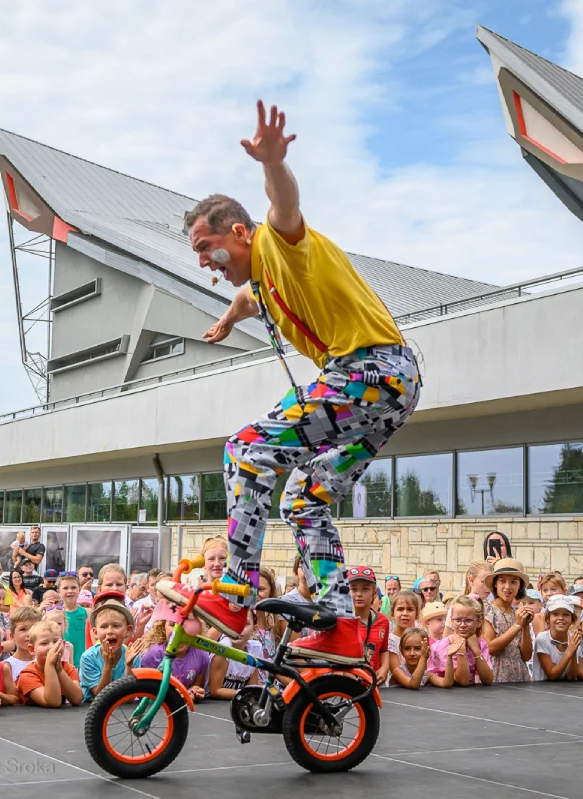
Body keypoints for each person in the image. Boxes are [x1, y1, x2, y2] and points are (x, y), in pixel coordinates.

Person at [155, 101, 419, 665]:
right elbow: (248, 297)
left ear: (238, 232)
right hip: (392, 388)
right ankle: (340, 626)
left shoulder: (278, 243)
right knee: (304, 497)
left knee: (246, 450)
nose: (203, 262)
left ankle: (236, 595)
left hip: (368, 372)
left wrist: (272, 163)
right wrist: (229, 318)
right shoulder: (263, 281)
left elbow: (284, 204)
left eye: (205, 248)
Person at [481, 558, 534, 684]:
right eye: (502, 581)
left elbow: (526, 656)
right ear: (495, 584)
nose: (508, 587)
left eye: (513, 582)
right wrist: (517, 625)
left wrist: (525, 626)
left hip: (519, 676)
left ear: (519, 586)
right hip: (495, 676)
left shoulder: (518, 613)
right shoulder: (487, 609)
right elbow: (490, 648)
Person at [80, 592, 136, 702]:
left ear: (128, 630)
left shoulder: (132, 655)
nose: (110, 631)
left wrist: (129, 666)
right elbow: (100, 697)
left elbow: (130, 699)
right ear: (95, 632)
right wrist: (108, 666)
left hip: (124, 708)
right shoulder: (88, 657)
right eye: (104, 627)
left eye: (116, 626)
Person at [16, 620, 83, 708]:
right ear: (32, 649)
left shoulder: (69, 669)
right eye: (44, 643)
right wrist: (50, 666)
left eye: (56, 642)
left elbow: (77, 699)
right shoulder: (27, 674)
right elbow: (53, 702)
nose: (52, 647)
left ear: (63, 644)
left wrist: (60, 671)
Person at [428, 596, 489, 686]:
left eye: (468, 620)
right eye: (458, 620)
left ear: (479, 622)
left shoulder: (481, 644)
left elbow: (488, 680)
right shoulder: (439, 647)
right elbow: (463, 681)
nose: (462, 625)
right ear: (451, 621)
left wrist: (476, 650)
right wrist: (461, 649)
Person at [532, 595, 580, 681]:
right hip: (542, 688)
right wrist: (569, 651)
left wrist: (573, 653)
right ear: (548, 618)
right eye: (555, 614)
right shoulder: (542, 639)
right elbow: (552, 675)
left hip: (566, 688)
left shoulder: (574, 639)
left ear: (572, 619)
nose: (560, 618)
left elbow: (572, 677)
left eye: (565, 614)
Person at [4, 605, 42, 680]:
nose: (29, 633)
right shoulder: (7, 666)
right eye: (23, 629)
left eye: (33, 628)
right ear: (12, 636)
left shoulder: (46, 661)